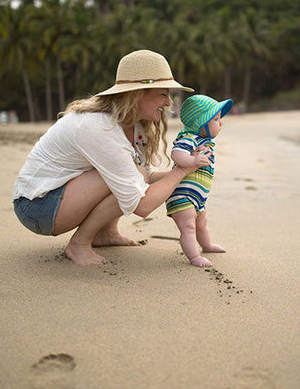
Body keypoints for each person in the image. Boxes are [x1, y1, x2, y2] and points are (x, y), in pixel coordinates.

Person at [12, 49, 209, 266]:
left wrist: (191, 167)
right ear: (137, 93)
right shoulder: (100, 127)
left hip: (61, 197)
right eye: (163, 94)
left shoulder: (134, 126)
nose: (168, 102)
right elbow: (141, 205)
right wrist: (181, 171)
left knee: (136, 173)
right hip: (37, 206)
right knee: (132, 176)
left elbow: (148, 175)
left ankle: (105, 233)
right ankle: (79, 245)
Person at [166, 94, 233, 267]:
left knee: (201, 222)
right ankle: (194, 257)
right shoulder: (189, 138)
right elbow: (177, 153)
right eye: (216, 119)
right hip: (182, 195)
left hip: (197, 196)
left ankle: (207, 245)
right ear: (200, 123)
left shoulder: (204, 141)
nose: (221, 123)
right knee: (188, 226)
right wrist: (193, 161)